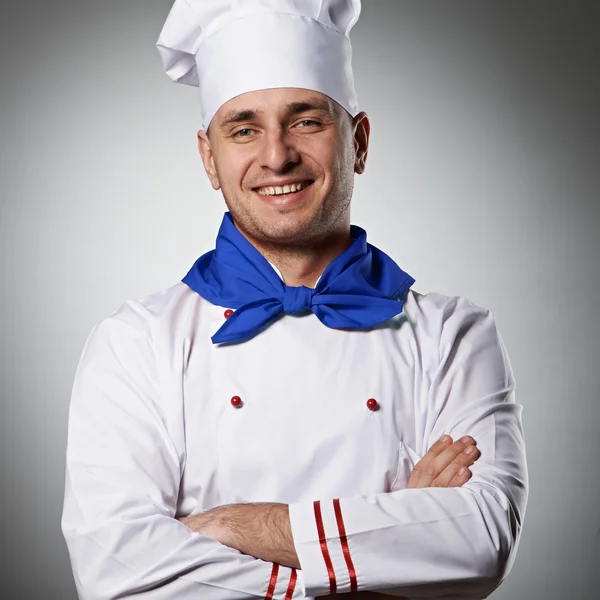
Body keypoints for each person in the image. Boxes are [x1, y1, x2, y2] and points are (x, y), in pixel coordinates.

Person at [61, 1, 528, 599]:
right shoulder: (135, 342)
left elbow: (482, 540)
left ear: (358, 142)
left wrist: (233, 526)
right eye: (244, 128)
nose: (276, 155)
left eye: (306, 121)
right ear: (210, 158)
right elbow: (117, 574)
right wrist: (396, 542)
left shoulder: (455, 334)